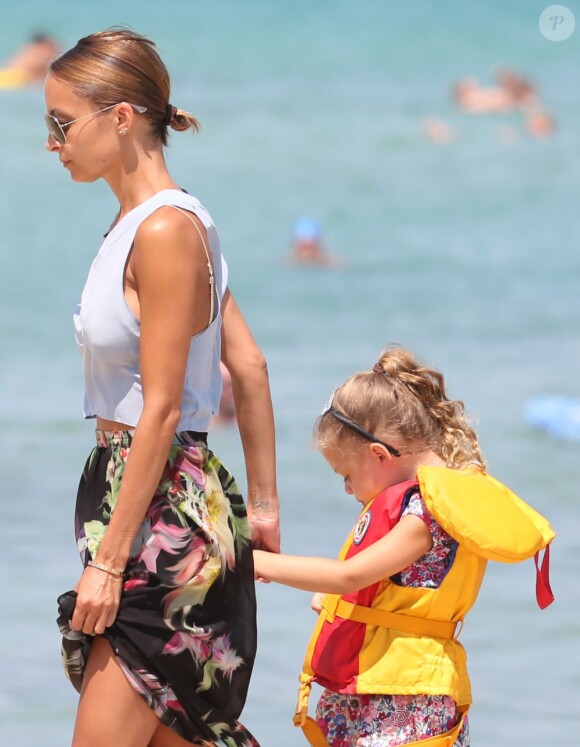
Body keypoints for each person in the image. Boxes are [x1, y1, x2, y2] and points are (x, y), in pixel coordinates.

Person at [44, 29, 280, 747]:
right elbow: (250, 365)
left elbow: (165, 404)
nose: (52, 143)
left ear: (120, 117)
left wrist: (111, 561)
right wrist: (262, 507)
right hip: (153, 500)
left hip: (159, 520)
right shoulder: (159, 224)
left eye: (61, 124)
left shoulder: (166, 230)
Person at [254, 345, 555, 747]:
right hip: (384, 691)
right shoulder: (420, 502)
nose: (346, 488)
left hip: (405, 702)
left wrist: (251, 560)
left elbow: (350, 575)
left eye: (345, 474)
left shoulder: (426, 514)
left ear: (378, 455)